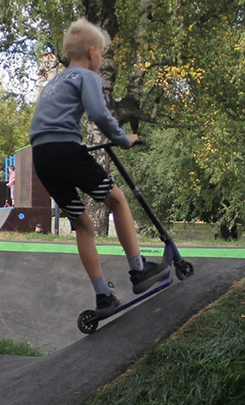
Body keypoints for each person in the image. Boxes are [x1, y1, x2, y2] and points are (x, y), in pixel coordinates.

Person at [29, 18, 169, 315]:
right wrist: (122, 139)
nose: (101, 59)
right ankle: (139, 271)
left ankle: (103, 295)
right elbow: (98, 114)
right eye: (102, 54)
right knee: (117, 200)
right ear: (92, 52)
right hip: (65, 150)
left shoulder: (53, 82)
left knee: (83, 225)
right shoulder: (86, 77)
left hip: (41, 157)